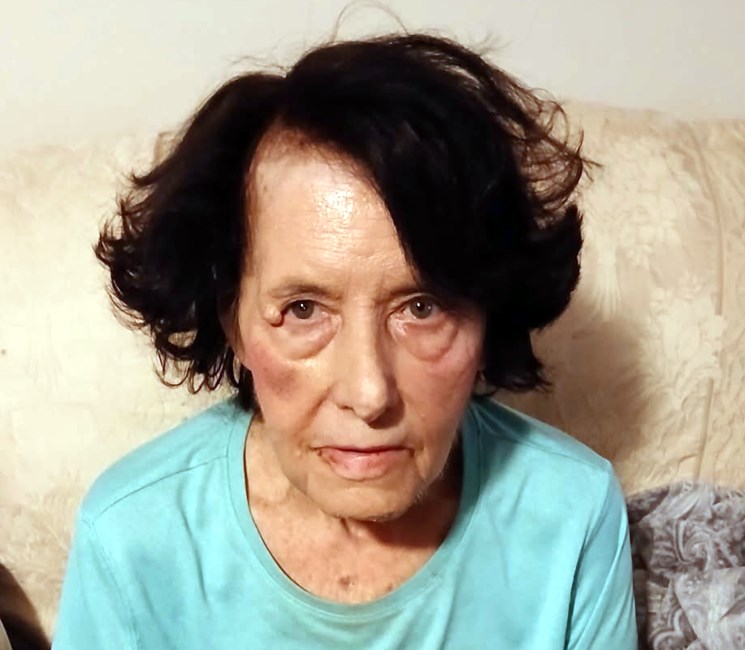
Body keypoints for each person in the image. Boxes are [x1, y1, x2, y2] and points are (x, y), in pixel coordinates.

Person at [53, 33, 637, 649]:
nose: (369, 393)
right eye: (303, 310)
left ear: (488, 314)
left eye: (421, 307)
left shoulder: (571, 515)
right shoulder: (132, 540)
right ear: (233, 322)